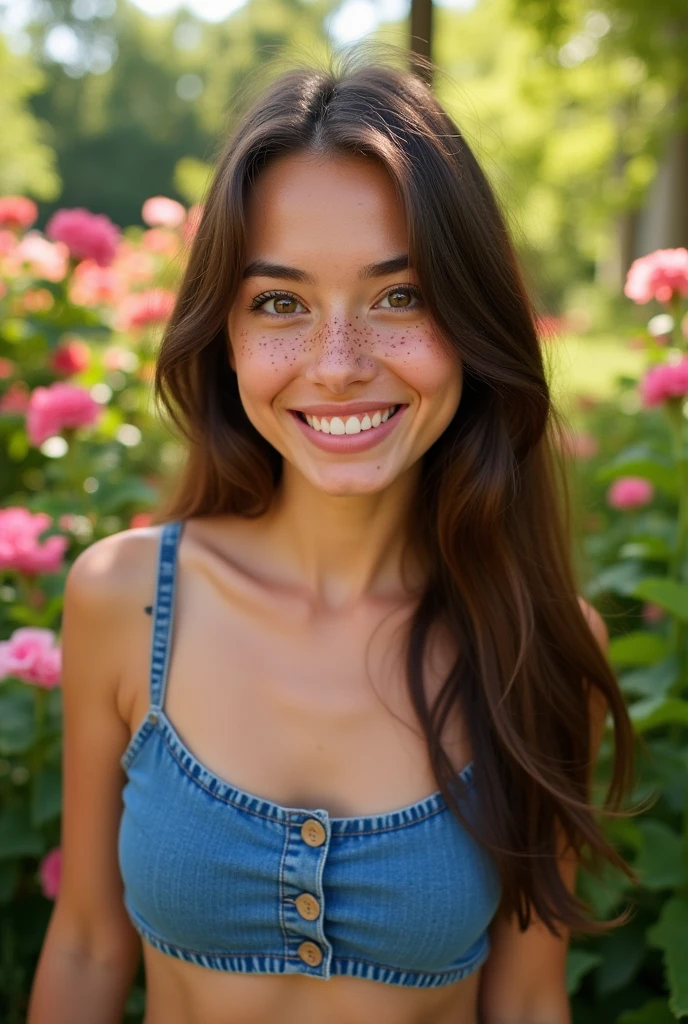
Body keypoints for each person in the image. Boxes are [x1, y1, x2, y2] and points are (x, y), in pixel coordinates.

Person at [28, 44, 639, 1024]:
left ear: (471, 321)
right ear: (223, 338)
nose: (339, 363)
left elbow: (526, 1002)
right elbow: (91, 946)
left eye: (400, 295)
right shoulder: (126, 599)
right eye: (281, 304)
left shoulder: (541, 648)